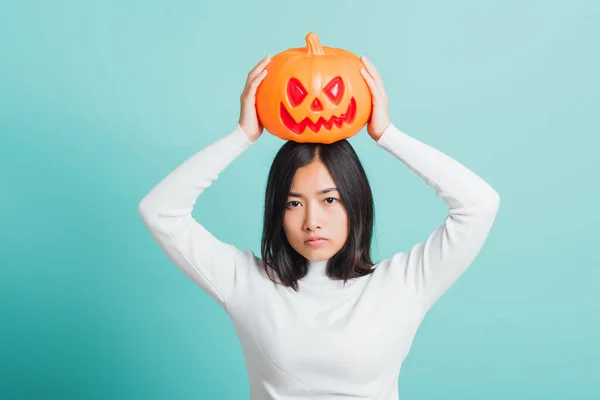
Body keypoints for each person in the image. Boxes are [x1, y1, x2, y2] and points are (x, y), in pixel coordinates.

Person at [138, 54, 500, 399]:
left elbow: (479, 205)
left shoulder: (403, 283)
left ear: (355, 203)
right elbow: (159, 211)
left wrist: (387, 134)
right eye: (294, 203)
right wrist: (242, 135)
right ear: (276, 212)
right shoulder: (245, 282)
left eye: (330, 200)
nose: (312, 222)